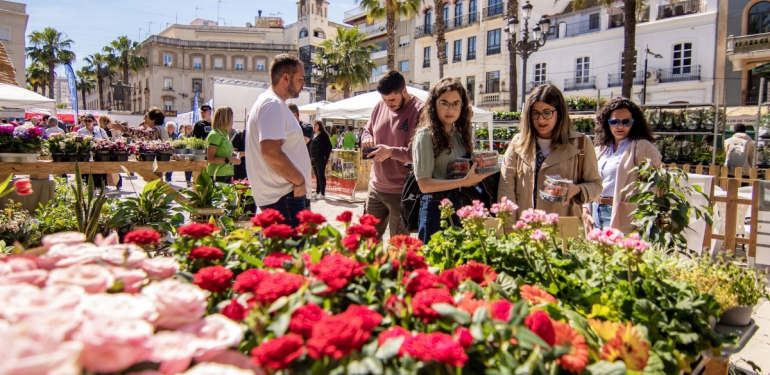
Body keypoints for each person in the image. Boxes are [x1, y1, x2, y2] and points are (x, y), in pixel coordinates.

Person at [498, 84, 602, 221]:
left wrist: (576, 189)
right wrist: (508, 225)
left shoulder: (581, 143)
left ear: (559, 113)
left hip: (561, 229)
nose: (541, 120)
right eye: (535, 113)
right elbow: (506, 188)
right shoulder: (518, 143)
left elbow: (596, 186)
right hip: (524, 229)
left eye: (547, 112)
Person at [410, 77, 494, 242]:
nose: (451, 109)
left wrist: (480, 174)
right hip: (435, 207)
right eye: (444, 103)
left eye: (456, 103)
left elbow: (464, 173)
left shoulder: (461, 135)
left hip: (462, 204)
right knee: (435, 263)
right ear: (434, 104)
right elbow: (424, 185)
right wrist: (464, 182)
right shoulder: (424, 135)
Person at [246, 53, 312, 228]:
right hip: (284, 199)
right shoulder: (272, 104)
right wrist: (299, 181)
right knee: (291, 254)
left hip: (283, 198)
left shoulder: (271, 103)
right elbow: (270, 150)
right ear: (285, 78)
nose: (303, 84)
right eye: (300, 79)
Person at [360, 70, 425, 240]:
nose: (388, 104)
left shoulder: (421, 111)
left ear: (404, 90)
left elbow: (422, 154)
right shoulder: (380, 106)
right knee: (366, 243)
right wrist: (367, 138)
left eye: (392, 100)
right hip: (375, 188)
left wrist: (391, 152)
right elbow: (367, 130)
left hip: (402, 193)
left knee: (399, 249)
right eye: (384, 100)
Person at [582, 97, 661, 233]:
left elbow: (653, 187)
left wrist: (643, 220)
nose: (620, 126)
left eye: (626, 122)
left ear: (634, 123)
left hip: (623, 214)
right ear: (606, 123)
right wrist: (585, 209)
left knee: (621, 253)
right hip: (596, 212)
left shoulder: (641, 147)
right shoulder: (601, 149)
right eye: (614, 122)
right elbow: (589, 180)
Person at [205, 106, 241, 182]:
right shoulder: (215, 135)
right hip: (217, 175)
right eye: (231, 117)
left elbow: (222, 152)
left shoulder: (225, 133)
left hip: (227, 173)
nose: (233, 119)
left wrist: (233, 155)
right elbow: (210, 159)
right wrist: (230, 159)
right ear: (226, 118)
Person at [77, 113, 109, 188]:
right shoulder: (80, 132)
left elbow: (107, 142)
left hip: (98, 157)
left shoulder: (100, 130)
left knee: (98, 175)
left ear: (93, 121)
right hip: (86, 157)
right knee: (87, 176)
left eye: (89, 121)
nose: (87, 123)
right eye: (85, 121)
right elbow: (77, 144)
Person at [310, 120, 333, 200]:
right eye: (313, 124)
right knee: (316, 175)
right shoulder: (313, 134)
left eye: (315, 124)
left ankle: (322, 193)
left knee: (321, 175)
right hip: (314, 157)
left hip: (321, 157)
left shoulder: (323, 134)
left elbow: (329, 146)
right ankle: (317, 191)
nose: (314, 126)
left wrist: (326, 156)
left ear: (319, 125)